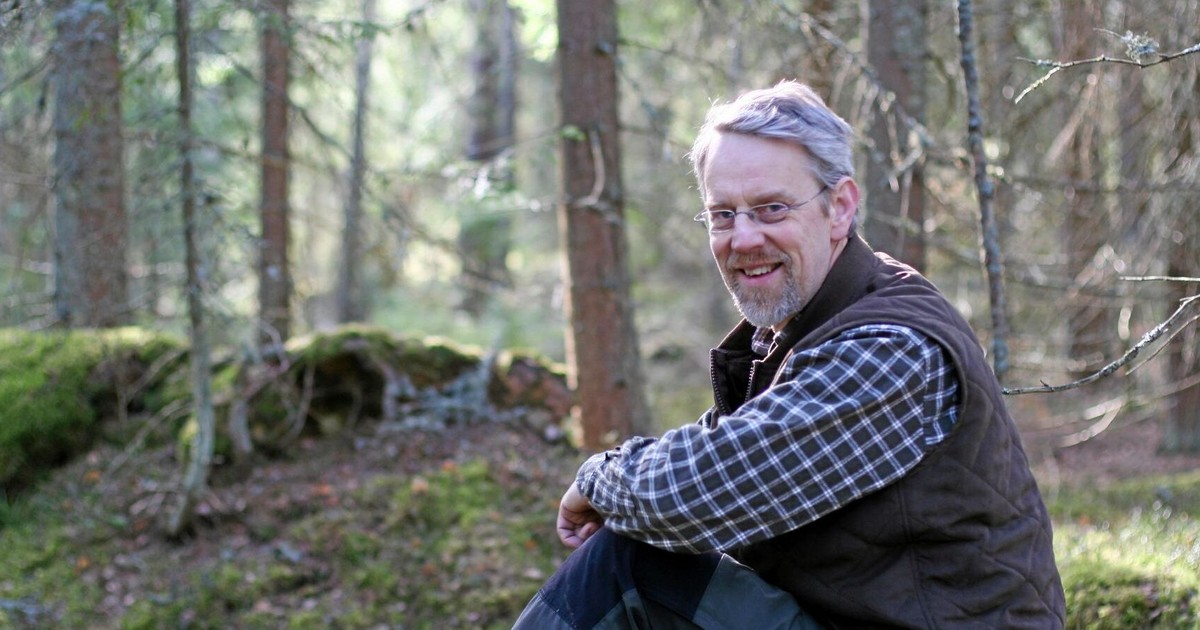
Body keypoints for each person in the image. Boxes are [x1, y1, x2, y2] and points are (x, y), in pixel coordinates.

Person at [514, 80, 1065, 629]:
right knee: (646, 559)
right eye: (723, 214)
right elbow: (720, 455)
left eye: (771, 209)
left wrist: (599, 478)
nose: (743, 238)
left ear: (839, 207)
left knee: (629, 566)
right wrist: (625, 492)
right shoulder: (805, 325)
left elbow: (702, 491)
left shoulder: (892, 348)